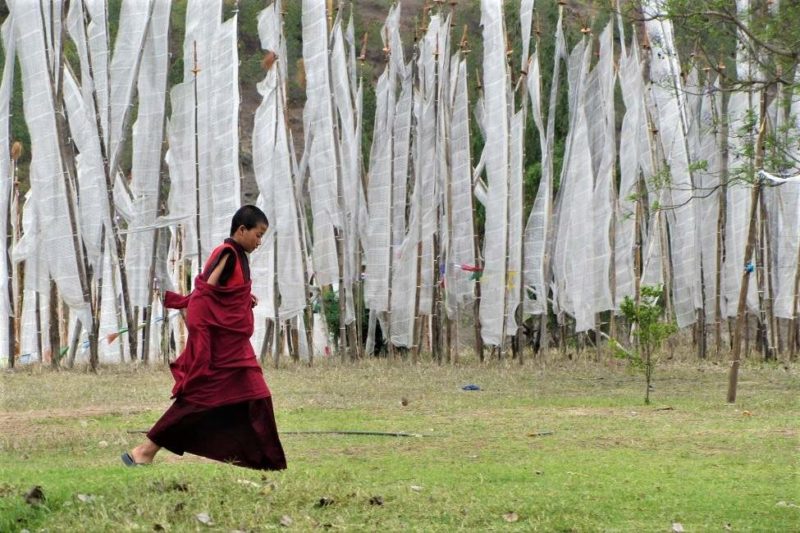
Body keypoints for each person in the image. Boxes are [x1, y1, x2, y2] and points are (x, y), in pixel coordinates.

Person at [122, 205, 286, 471]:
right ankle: (145, 451)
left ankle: (268, 462)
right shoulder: (227, 253)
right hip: (220, 351)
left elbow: (224, 293)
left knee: (258, 396)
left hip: (235, 351)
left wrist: (244, 298)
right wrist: (202, 348)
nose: (259, 241)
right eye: (258, 234)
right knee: (198, 399)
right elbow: (203, 297)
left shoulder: (240, 256)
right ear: (242, 230)